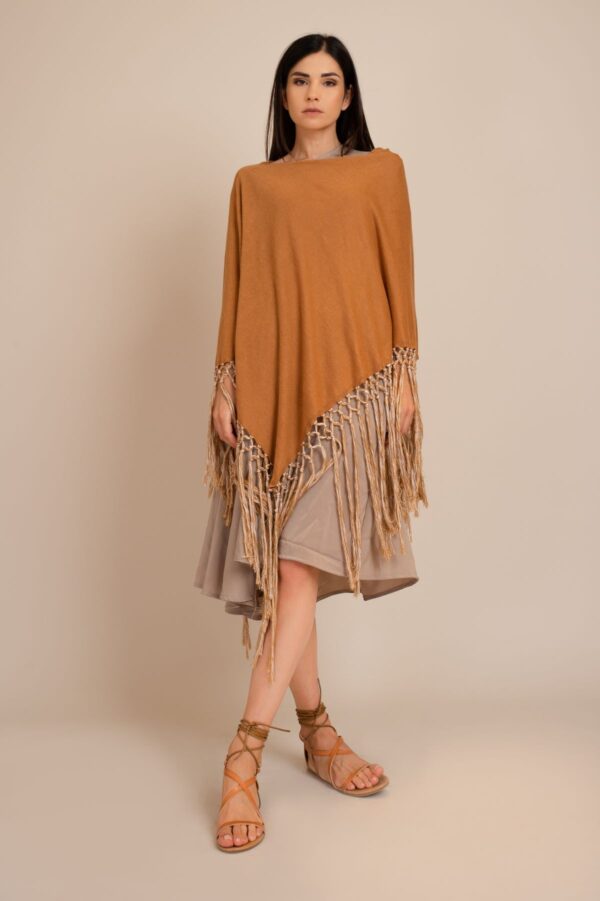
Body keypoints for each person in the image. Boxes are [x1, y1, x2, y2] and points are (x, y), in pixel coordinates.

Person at [193, 33, 428, 852]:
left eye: (330, 80)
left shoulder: (380, 172)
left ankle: (242, 758)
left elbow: (400, 276)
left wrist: (405, 375)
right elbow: (237, 288)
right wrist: (226, 382)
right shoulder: (253, 186)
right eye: (300, 80)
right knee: (288, 570)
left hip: (354, 399)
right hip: (270, 391)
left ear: (349, 95)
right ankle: (319, 731)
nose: (315, 93)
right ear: (284, 94)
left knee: (295, 569)